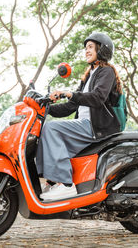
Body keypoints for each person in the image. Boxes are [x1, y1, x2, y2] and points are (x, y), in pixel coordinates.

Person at [36, 32, 123, 201]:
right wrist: (46, 109)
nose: (86, 51)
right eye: (86, 48)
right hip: (84, 124)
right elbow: (71, 107)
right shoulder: (89, 75)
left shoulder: (106, 72)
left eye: (90, 47)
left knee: (51, 129)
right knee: (43, 130)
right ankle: (54, 181)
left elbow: (97, 98)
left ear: (102, 49)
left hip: (96, 127)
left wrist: (68, 93)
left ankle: (66, 184)